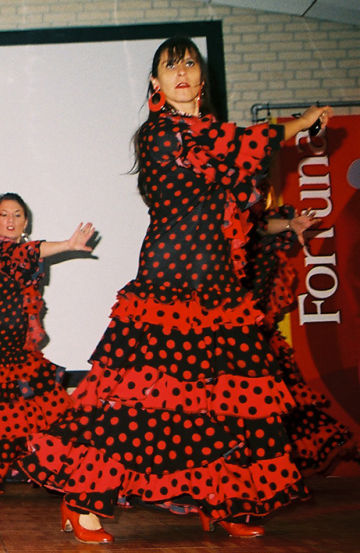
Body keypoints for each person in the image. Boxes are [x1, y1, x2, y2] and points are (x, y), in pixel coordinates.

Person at [19, 37, 329, 544]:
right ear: (155, 83)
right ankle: (82, 502)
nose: (181, 72)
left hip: (219, 285)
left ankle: (226, 500)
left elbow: (240, 199)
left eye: (189, 63)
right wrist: (300, 121)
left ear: (201, 78)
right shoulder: (161, 134)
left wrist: (282, 220)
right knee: (134, 401)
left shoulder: (217, 136)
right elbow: (244, 143)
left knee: (229, 400)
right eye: (170, 66)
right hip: (168, 279)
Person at [0, 193, 92, 496]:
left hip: (13, 349)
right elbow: (28, 251)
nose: (11, 220)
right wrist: (67, 245)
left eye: (17, 214)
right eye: (4, 214)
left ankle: (64, 473)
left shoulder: (17, 254)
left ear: (25, 221)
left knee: (33, 412)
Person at [246, 204, 357, 474]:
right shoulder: (213, 220)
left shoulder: (252, 222)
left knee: (276, 402)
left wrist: (287, 225)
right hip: (230, 333)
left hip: (250, 332)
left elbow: (259, 227)